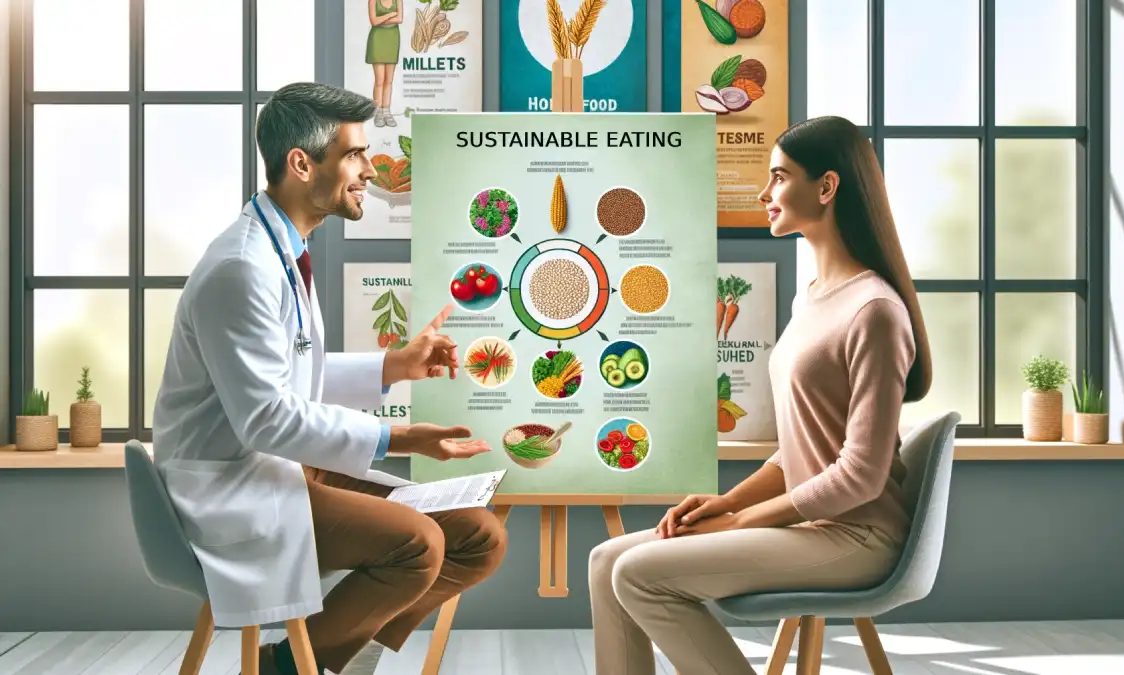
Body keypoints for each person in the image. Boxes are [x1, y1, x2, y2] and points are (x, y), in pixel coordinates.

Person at [152, 81, 507, 675]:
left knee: (479, 537)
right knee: (419, 546)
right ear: (301, 163)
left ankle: (309, 659)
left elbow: (289, 372)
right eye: (354, 154)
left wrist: (394, 365)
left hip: (283, 468)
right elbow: (266, 417)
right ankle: (297, 667)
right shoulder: (242, 268)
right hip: (231, 484)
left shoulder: (281, 251)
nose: (370, 169)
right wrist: (397, 438)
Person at [587, 115, 933, 675]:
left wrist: (747, 523)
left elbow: (859, 477)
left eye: (778, 176)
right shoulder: (815, 297)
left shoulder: (874, 311)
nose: (763, 192)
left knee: (638, 574)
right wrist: (727, 502)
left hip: (859, 537)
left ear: (826, 187)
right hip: (813, 527)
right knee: (606, 561)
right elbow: (800, 447)